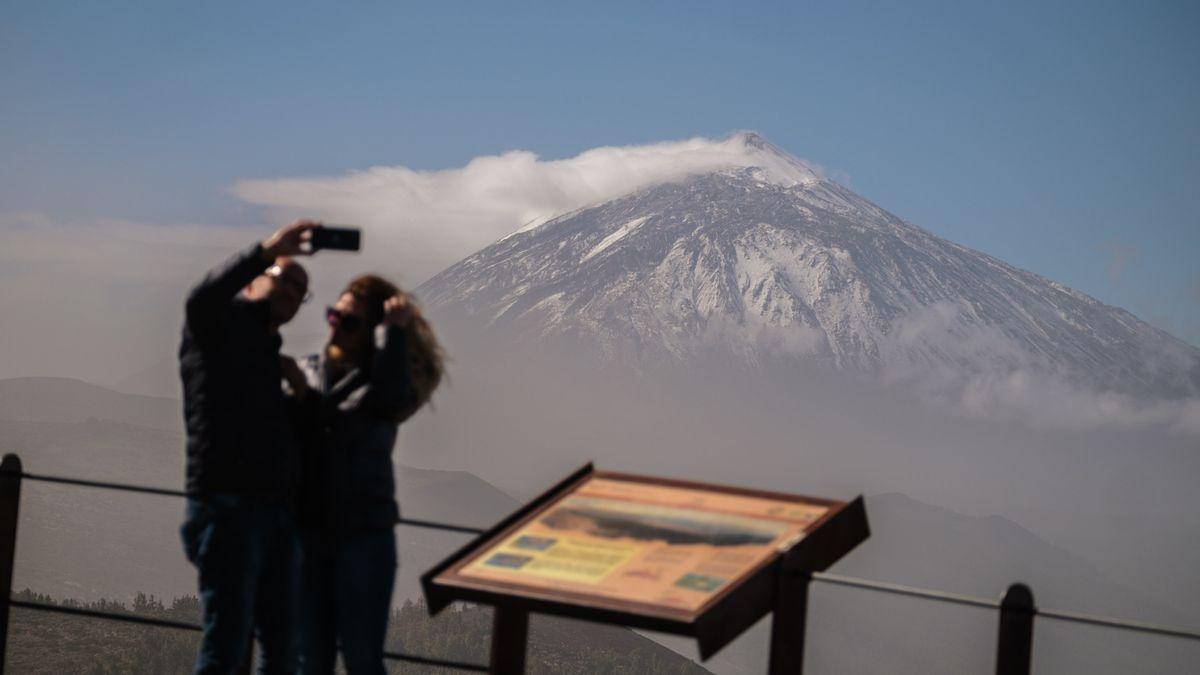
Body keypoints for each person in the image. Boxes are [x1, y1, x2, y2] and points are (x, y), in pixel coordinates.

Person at [282, 275, 445, 675]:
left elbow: (379, 405)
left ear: (372, 333)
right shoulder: (306, 370)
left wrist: (394, 334)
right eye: (333, 314)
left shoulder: (390, 387)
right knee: (308, 662)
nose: (335, 324)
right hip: (307, 537)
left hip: (364, 539)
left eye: (350, 321)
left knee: (362, 660)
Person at [178, 219, 321, 674]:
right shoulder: (216, 328)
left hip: (275, 516)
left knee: (282, 652)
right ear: (257, 278)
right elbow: (201, 300)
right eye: (285, 279)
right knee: (227, 647)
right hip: (228, 509)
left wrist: (302, 395)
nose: (292, 293)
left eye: (301, 291)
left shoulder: (267, 353)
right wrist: (266, 250)